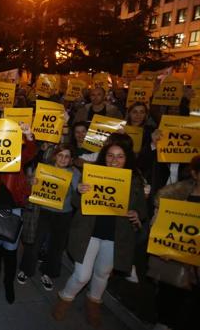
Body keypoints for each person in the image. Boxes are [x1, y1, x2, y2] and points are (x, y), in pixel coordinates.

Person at [53, 138, 147, 327]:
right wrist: (79, 192)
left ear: (126, 159)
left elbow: (142, 209)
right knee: (81, 275)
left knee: (102, 273)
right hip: (89, 231)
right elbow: (76, 204)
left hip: (116, 236)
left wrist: (137, 214)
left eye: (120, 157)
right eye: (110, 156)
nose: (114, 160)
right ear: (104, 158)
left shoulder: (135, 180)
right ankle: (66, 297)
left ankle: (93, 302)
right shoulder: (92, 174)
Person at [0, 123, 38, 303]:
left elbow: (32, 152)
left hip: (14, 212)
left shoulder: (18, 157)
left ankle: (8, 284)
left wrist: (29, 135)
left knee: (10, 253)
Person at [16, 144, 80, 291]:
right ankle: (26, 270)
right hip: (42, 211)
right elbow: (29, 186)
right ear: (55, 156)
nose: (63, 159)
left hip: (63, 214)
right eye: (60, 155)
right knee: (34, 242)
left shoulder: (75, 173)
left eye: (67, 156)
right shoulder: (43, 168)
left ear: (71, 159)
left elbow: (78, 195)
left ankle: (48, 273)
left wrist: (78, 188)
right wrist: (31, 182)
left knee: (56, 246)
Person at [150, 155, 200, 330]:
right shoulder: (174, 195)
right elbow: (160, 224)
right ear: (195, 174)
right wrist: (163, 245)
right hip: (174, 261)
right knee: (169, 298)